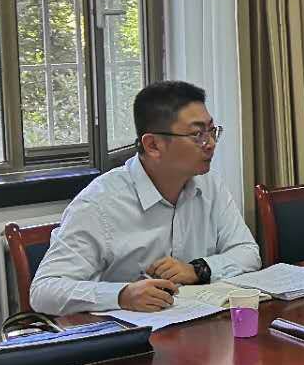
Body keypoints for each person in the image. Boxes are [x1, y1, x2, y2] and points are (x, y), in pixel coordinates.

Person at [30, 81, 260, 315]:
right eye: (197, 134)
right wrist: (122, 295)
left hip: (197, 322)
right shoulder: (99, 204)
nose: (210, 144)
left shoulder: (209, 185)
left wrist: (198, 270)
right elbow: (44, 290)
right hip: (130, 332)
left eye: (211, 131)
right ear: (153, 145)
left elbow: (248, 253)